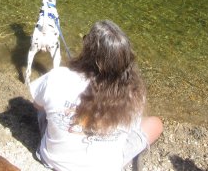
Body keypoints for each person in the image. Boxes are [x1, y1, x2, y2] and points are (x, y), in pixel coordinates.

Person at [30, 19, 163, 171]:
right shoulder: (134, 94)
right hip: (104, 167)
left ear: (88, 50)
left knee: (44, 106)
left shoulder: (58, 77)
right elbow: (131, 128)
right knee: (155, 124)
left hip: (54, 161)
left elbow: (37, 105)